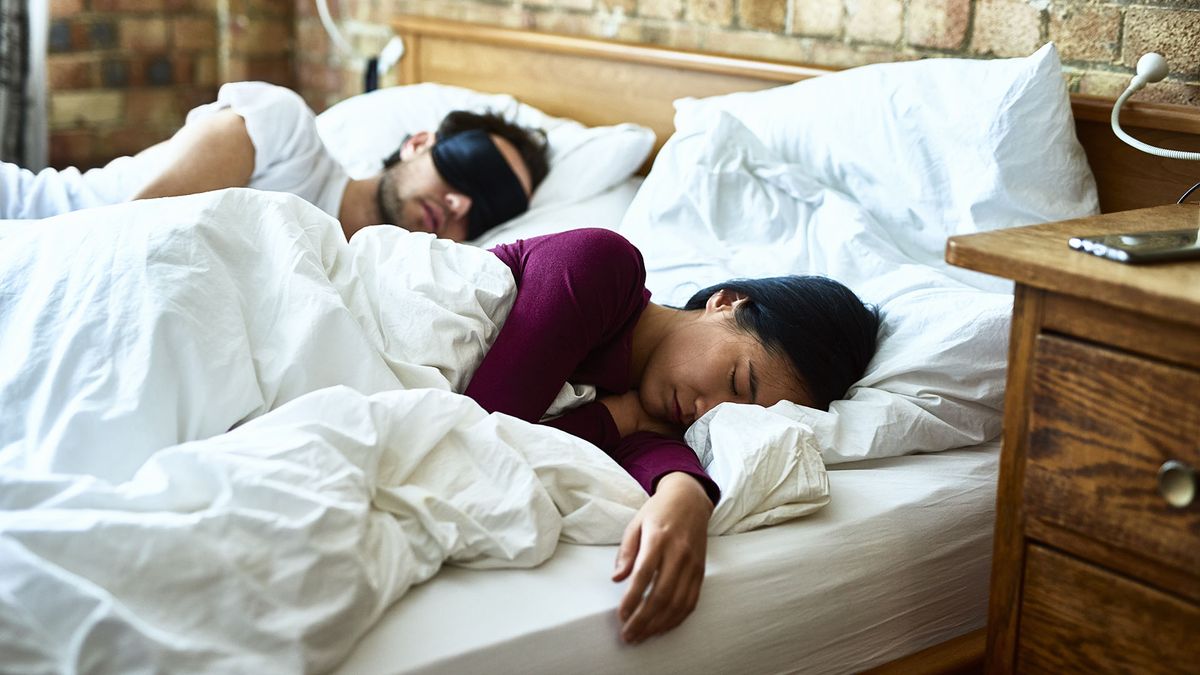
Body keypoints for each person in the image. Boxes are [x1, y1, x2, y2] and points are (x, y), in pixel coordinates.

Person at [464, 227, 881, 645]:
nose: (707, 410)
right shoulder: (602, 265)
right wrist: (615, 417)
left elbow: (655, 449)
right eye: (737, 381)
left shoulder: (662, 408)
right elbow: (477, 439)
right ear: (726, 304)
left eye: (731, 414)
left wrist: (687, 493)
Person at [0, 82, 550, 242]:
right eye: (466, 169)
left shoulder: (366, 284)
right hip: (28, 221)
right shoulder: (285, 132)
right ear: (418, 143)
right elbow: (121, 240)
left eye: (487, 212)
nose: (461, 203)